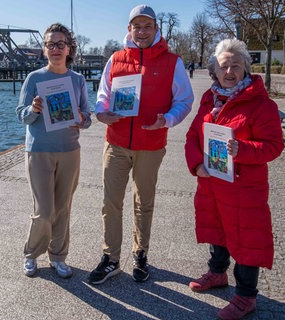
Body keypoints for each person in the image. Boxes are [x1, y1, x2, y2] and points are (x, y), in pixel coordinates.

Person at [88, 4, 194, 285]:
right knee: (110, 202)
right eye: (137, 26)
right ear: (129, 29)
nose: (142, 31)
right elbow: (103, 95)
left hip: (151, 144)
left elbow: (185, 100)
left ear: (156, 29)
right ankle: (110, 258)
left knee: (143, 203)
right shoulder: (116, 59)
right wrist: (102, 113)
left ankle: (140, 254)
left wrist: (168, 120)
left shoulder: (173, 62)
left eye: (148, 26)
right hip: (117, 142)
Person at [184, 38, 284, 320]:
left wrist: (243, 150)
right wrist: (196, 164)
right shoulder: (209, 99)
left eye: (236, 66)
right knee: (217, 230)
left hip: (243, 188)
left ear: (246, 69)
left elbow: (274, 146)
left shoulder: (261, 104)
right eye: (224, 66)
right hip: (212, 182)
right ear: (214, 70)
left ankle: (245, 296)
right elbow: (192, 137)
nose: (230, 72)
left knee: (246, 238)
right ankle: (217, 274)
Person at [16, 23, 92, 279]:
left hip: (69, 150)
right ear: (44, 49)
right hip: (39, 151)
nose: (56, 48)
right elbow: (21, 115)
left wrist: (81, 118)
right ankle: (30, 253)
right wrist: (33, 110)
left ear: (69, 48)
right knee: (44, 210)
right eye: (51, 44)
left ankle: (58, 256)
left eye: (61, 44)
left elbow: (87, 118)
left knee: (63, 208)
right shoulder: (34, 79)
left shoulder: (77, 80)